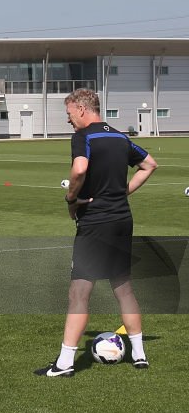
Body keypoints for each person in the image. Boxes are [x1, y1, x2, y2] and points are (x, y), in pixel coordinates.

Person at [35, 89, 157, 377]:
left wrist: (71, 199)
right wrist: (121, 192)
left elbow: (79, 170)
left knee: (79, 292)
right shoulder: (119, 136)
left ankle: (64, 363)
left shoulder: (84, 136)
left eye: (68, 114)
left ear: (80, 108)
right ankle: (139, 356)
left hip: (95, 222)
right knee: (123, 288)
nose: (68, 121)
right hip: (122, 220)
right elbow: (149, 164)